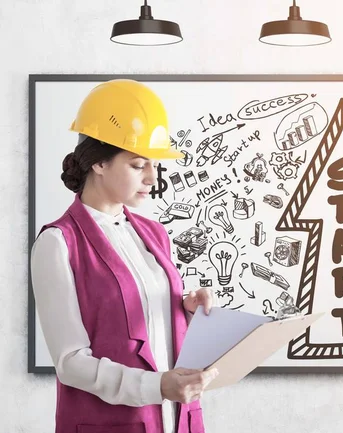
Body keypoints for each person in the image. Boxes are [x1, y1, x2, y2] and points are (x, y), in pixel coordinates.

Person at [30, 79, 218, 433]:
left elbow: (152, 330)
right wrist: (157, 386)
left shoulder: (154, 233)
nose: (153, 177)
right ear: (98, 164)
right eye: (137, 165)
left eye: (155, 165)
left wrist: (187, 310)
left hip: (179, 420)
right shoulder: (57, 244)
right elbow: (70, 363)